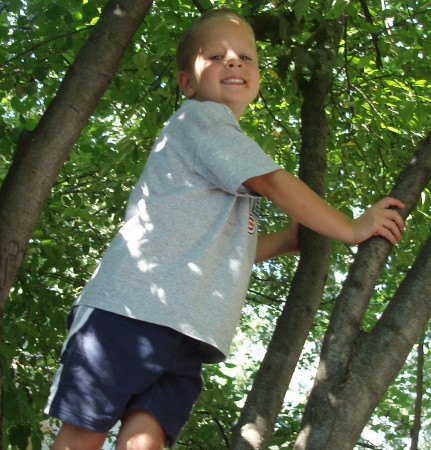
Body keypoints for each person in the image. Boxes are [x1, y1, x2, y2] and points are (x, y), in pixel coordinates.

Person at [45, 8, 405, 450]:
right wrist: (350, 228)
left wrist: (290, 240)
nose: (234, 61)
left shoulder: (220, 153)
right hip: (128, 312)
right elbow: (272, 182)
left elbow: (222, 251)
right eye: (216, 56)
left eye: (246, 57)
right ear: (188, 83)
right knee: (83, 431)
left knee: (146, 439)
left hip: (186, 333)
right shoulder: (201, 120)